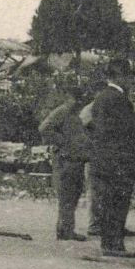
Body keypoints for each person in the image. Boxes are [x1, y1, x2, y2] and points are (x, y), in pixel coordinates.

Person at [84, 58, 135, 257]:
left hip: (104, 159)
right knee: (118, 202)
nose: (130, 81)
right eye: (128, 76)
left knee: (109, 202)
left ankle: (110, 243)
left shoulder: (102, 97)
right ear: (121, 76)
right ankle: (114, 245)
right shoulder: (118, 99)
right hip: (118, 160)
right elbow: (125, 132)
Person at [38, 80, 91, 241]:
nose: (78, 101)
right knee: (67, 196)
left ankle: (65, 228)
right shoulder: (62, 111)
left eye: (80, 98)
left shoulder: (75, 114)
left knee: (72, 195)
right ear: (68, 98)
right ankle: (66, 230)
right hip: (66, 159)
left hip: (75, 159)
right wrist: (62, 141)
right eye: (75, 98)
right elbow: (44, 128)